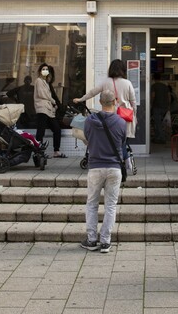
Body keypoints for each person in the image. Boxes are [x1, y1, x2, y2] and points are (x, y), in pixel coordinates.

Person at [80, 89, 127, 254]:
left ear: (100, 102)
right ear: (115, 101)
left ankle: (92, 240)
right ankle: (105, 242)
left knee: (92, 204)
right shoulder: (121, 122)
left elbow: (87, 138)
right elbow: (122, 142)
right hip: (114, 168)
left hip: (95, 167)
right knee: (111, 205)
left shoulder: (89, 121)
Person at [73, 59, 137, 157]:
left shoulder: (105, 82)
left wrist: (81, 99)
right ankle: (124, 162)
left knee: (110, 141)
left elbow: (92, 93)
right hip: (125, 118)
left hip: (110, 118)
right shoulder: (127, 83)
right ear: (123, 70)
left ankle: (112, 160)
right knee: (123, 143)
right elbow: (133, 102)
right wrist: (134, 115)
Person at [34, 64, 66, 158]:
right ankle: (38, 152)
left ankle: (56, 151)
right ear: (40, 71)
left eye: (46, 69)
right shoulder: (38, 81)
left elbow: (48, 95)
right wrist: (53, 102)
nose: (45, 71)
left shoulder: (46, 82)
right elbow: (42, 94)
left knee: (57, 129)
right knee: (41, 131)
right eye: (43, 69)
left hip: (48, 109)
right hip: (42, 108)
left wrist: (54, 104)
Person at [150, 72, 170, 143]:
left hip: (157, 106)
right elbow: (169, 97)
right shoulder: (165, 86)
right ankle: (157, 137)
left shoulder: (154, 86)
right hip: (164, 107)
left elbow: (153, 96)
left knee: (157, 123)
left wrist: (151, 104)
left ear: (153, 78)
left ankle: (161, 138)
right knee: (160, 123)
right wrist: (168, 106)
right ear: (160, 78)